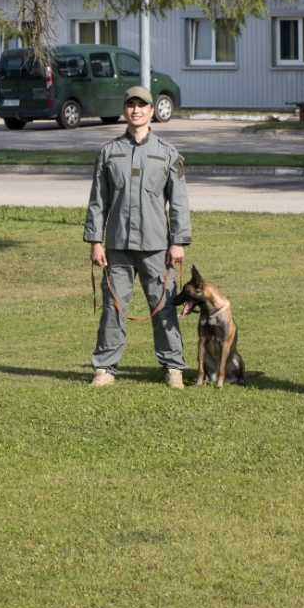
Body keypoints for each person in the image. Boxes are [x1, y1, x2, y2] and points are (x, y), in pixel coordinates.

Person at [84, 86, 191, 389]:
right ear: (125, 111)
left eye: (141, 105)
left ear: (151, 111)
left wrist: (178, 241)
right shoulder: (108, 152)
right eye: (130, 105)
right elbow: (97, 201)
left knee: (165, 308)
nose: (136, 110)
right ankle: (104, 369)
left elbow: (179, 202)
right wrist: (95, 240)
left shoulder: (169, 153)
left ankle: (173, 368)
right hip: (117, 246)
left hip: (157, 247)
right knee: (112, 308)